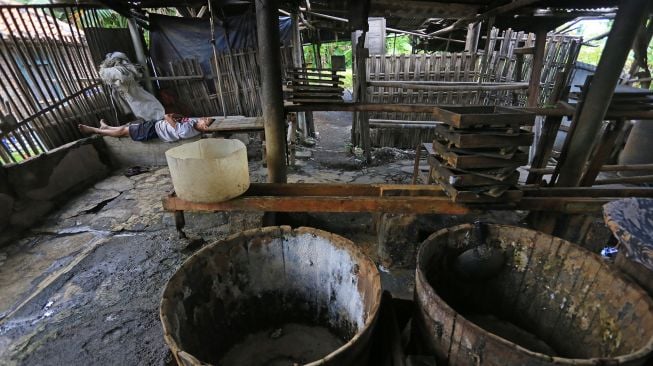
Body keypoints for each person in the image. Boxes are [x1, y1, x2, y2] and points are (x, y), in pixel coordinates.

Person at [78, 114, 215, 143]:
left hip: (154, 131)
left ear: (203, 127)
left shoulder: (188, 130)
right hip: (155, 125)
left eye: (205, 121)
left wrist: (172, 116)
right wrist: (175, 116)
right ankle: (106, 127)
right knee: (128, 127)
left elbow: (167, 116)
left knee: (124, 131)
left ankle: (95, 130)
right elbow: (176, 117)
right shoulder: (193, 122)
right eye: (206, 118)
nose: (203, 118)